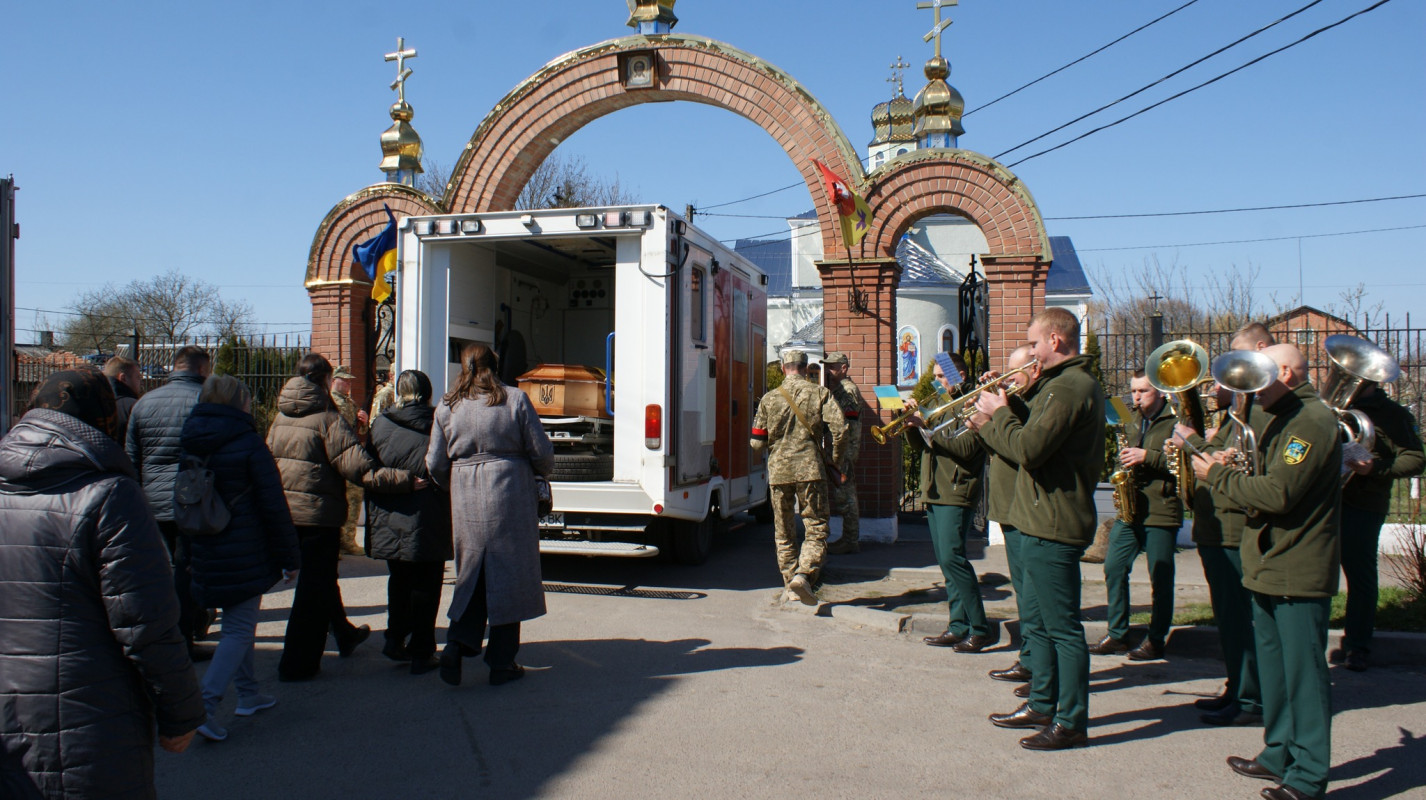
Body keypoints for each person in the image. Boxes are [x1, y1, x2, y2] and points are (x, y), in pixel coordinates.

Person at [0, 368, 204, 799]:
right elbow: (146, 622)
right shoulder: (108, 493)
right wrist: (181, 712)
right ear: (103, 419)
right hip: (89, 718)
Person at [1195, 344, 1341, 800]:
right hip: (1269, 561)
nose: (1248, 386)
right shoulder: (1278, 414)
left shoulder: (1311, 421)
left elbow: (1278, 493)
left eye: (1258, 374)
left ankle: (1308, 776)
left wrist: (1217, 476)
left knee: (1304, 676)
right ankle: (1278, 752)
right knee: (1276, 672)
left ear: (1286, 374)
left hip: (1298, 565)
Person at [975, 307, 1103, 751]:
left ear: (1055, 340)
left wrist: (998, 414)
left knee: (1062, 629)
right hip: (1038, 517)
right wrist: (1006, 403)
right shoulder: (1056, 385)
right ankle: (1043, 702)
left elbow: (1030, 449)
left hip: (1054, 520)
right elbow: (1033, 433)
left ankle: (1071, 720)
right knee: (1043, 624)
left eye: (1034, 343)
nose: (1030, 352)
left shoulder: (1070, 387)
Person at [267, 354, 418, 682]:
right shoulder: (327, 418)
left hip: (287, 513)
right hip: (317, 517)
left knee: (320, 579)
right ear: (325, 380)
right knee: (312, 588)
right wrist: (404, 480)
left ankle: (344, 633)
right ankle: (297, 664)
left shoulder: (280, 417)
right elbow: (359, 467)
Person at [180, 375, 302, 741]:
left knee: (239, 623)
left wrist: (185, 550)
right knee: (238, 628)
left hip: (205, 540)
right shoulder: (247, 441)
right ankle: (204, 707)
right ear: (239, 402)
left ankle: (248, 694)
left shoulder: (190, 439)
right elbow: (273, 503)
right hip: (245, 545)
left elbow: (184, 498)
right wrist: (290, 556)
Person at [426, 344, 554, 687]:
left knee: (472, 572)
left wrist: (454, 482)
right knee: (508, 574)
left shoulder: (448, 405)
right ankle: (501, 662)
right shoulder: (514, 399)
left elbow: (435, 463)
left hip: (465, 494)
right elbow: (541, 453)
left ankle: (456, 645)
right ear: (494, 365)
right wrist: (541, 471)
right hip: (510, 494)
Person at [1178, 377, 1270, 727]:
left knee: (1237, 620)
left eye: (1222, 382)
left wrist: (1192, 441)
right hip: (1214, 528)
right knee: (1228, 620)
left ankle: (1250, 698)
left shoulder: (1252, 419)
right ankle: (1237, 687)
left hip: (1231, 530)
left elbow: (1228, 466)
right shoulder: (1233, 420)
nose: (1214, 389)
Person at [126, 345, 213, 660]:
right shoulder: (205, 401)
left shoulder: (144, 402)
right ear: (202, 369)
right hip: (195, 498)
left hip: (153, 498)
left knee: (167, 568)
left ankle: (167, 634)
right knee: (191, 568)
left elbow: (131, 457)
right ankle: (184, 637)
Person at [1089, 369, 1182, 661]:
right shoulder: (1129, 418)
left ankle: (1156, 639)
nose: (1137, 397)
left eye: (1143, 391)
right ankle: (1118, 634)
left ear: (1160, 392)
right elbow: (1122, 454)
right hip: (1131, 509)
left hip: (1161, 508)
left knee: (1161, 577)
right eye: (1133, 391)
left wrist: (1147, 457)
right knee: (1114, 567)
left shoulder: (1176, 421)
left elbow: (1184, 463)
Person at [907, 352, 996, 652]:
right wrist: (912, 427)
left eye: (942, 376)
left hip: (957, 489)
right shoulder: (938, 403)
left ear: (959, 375)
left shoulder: (972, 402)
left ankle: (979, 627)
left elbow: (968, 446)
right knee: (947, 562)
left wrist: (927, 429)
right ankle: (958, 625)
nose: (937, 381)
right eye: (935, 376)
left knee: (953, 559)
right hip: (936, 488)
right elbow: (923, 446)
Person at [367, 369, 453, 675]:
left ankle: (394, 639)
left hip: (390, 513)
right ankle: (422, 650)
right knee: (427, 584)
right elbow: (445, 466)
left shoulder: (380, 424)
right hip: (429, 512)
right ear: (428, 394)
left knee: (399, 580)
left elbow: (368, 468)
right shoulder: (439, 422)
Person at [1333, 382, 1423, 671]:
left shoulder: (1393, 414)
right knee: (1313, 573)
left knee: (1360, 576)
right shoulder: (1329, 406)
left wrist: (1375, 468)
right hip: (1323, 499)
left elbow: (1416, 458)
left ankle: (1357, 645)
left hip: (1363, 503)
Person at [750, 349, 847, 606]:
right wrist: (835, 459)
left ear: (783, 368)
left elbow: (756, 443)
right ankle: (804, 575)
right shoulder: (820, 393)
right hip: (811, 470)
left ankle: (790, 582)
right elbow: (840, 430)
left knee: (783, 530)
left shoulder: (769, 399)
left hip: (779, 473)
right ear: (805, 368)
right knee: (816, 527)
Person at [970, 346, 1040, 690]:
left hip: (1022, 505)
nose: (1009, 380)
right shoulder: (1019, 406)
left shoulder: (1033, 407)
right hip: (1008, 505)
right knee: (1023, 591)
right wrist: (982, 426)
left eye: (1015, 373)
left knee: (1031, 594)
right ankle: (1030, 659)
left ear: (1034, 370)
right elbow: (998, 449)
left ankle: (1037, 664)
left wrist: (998, 412)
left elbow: (1020, 448)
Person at [823, 352, 864, 555]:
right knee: (845, 491)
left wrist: (843, 453)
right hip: (841, 448)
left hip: (844, 449)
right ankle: (848, 538)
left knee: (845, 493)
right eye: (828, 366)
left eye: (832, 367)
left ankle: (850, 540)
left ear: (844, 368)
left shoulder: (847, 391)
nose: (828, 371)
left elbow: (849, 424)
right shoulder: (839, 389)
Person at [331, 365, 370, 556]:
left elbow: (361, 431)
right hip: (334, 457)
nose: (348, 384)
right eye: (344, 380)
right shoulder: (329, 401)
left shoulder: (350, 403)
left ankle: (347, 540)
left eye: (349, 381)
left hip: (349, 456)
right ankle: (334, 544)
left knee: (354, 496)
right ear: (334, 381)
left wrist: (364, 421)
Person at [103, 355, 142, 446]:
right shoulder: (134, 406)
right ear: (123, 378)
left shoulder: (96, 403)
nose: (140, 382)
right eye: (138, 377)